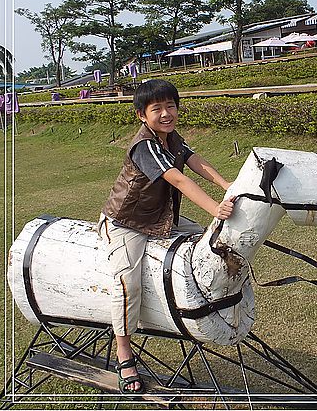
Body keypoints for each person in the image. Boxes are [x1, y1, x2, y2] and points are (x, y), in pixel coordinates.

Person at [97, 79, 235, 394]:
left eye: (170, 106)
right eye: (156, 108)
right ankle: (124, 353)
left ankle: (204, 300)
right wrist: (216, 207)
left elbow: (193, 161)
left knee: (207, 239)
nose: (166, 113)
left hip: (161, 218)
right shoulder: (144, 145)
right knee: (127, 284)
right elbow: (178, 179)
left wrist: (227, 184)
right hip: (126, 223)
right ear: (142, 115)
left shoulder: (172, 138)